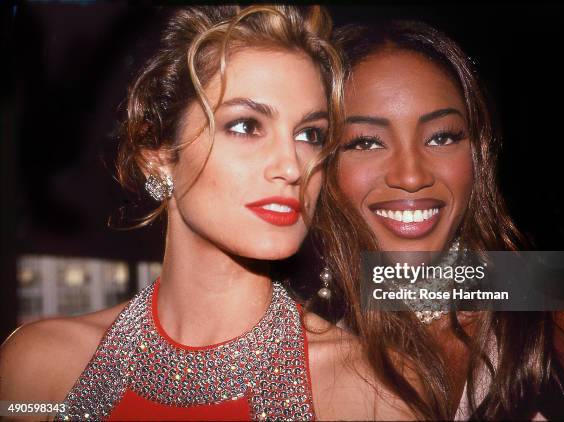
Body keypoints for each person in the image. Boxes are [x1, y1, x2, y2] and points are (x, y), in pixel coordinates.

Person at [0, 6, 415, 421]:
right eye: (246, 126)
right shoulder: (39, 368)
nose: (292, 167)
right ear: (159, 156)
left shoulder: (373, 393)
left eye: (310, 135)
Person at [304, 20, 564, 419]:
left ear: (477, 155)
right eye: (365, 142)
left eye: (441, 137)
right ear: (318, 163)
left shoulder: (562, 300)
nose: (411, 176)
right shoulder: (276, 329)